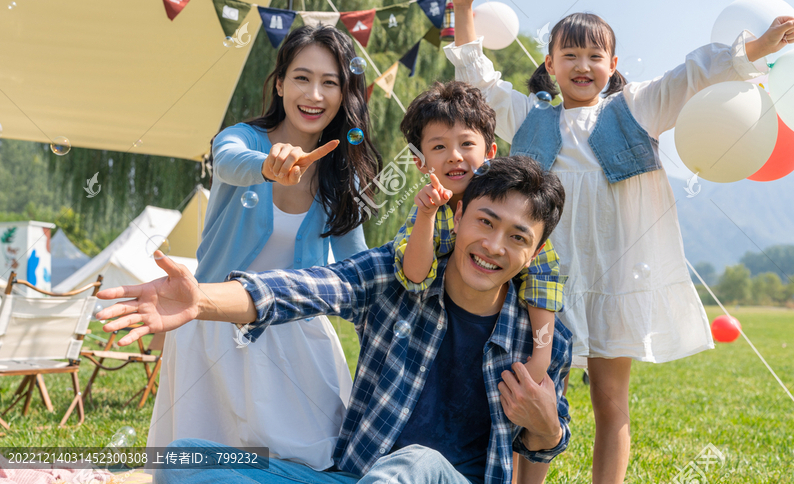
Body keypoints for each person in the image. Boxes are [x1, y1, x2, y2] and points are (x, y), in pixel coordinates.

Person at [437, 0, 794, 484]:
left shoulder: (637, 108)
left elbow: (694, 74)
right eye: (570, 55)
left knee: (610, 399)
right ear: (550, 65)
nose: (583, 66)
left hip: (616, 279)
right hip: (547, 282)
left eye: (595, 56)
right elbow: (479, 78)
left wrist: (752, 51)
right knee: (535, 393)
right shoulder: (531, 118)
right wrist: (462, 6)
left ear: (612, 66)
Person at [98, 156, 572, 484]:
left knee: (414, 464)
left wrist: (548, 427)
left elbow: (546, 439)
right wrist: (201, 299)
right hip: (359, 477)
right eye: (486, 222)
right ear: (460, 212)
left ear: (533, 254)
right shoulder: (395, 277)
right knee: (186, 459)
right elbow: (302, 288)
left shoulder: (543, 338)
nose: (493, 246)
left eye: (517, 237)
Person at [148, 25, 382, 471]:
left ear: (346, 91)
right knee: (203, 462)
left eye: (330, 82)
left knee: (310, 459)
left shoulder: (344, 174)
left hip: (298, 330)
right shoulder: (241, 139)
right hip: (214, 323)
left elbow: (357, 268)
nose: (314, 93)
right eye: (301, 77)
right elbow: (229, 163)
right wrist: (269, 167)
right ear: (279, 83)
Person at [392, 81, 566, 484]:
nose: (454, 157)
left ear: (489, 152)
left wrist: (540, 358)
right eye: (438, 147)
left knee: (532, 415)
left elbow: (544, 281)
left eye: (465, 144)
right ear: (421, 162)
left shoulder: (515, 203)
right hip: (451, 336)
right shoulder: (431, 213)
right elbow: (415, 276)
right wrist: (425, 217)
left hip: (520, 337)